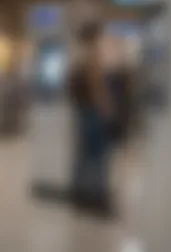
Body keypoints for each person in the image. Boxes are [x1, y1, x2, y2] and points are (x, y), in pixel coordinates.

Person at [68, 18, 115, 216]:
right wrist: (107, 109)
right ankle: (97, 197)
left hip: (82, 110)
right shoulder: (92, 55)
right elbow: (97, 86)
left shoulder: (76, 55)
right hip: (93, 111)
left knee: (84, 154)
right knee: (99, 155)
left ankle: (80, 195)